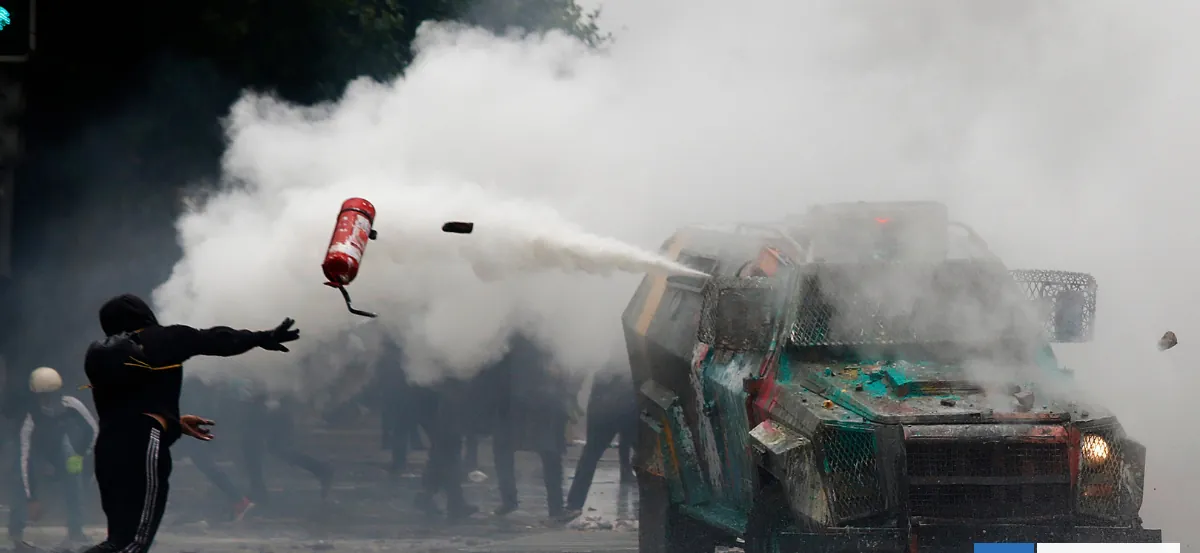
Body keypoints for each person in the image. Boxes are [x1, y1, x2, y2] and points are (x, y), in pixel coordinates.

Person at [81, 293, 299, 553]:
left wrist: (175, 421)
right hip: (143, 441)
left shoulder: (99, 356)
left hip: (107, 448)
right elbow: (217, 339)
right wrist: (263, 337)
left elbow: (129, 402)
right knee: (136, 543)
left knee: (117, 540)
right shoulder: (162, 338)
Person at [9, 367, 98, 549]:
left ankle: (75, 531)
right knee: (20, 483)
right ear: (36, 396)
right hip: (36, 452)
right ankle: (17, 534)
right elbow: (24, 459)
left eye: (52, 395)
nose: (48, 400)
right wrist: (31, 498)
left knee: (74, 478)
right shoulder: (30, 417)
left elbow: (92, 430)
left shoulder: (71, 404)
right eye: (44, 396)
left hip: (60, 448)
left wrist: (80, 456)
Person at [562, 364, 637, 520]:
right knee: (646, 456)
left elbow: (584, 365)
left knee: (589, 457)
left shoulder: (606, 355)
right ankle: (651, 507)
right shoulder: (625, 356)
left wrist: (572, 395)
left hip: (604, 409)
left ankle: (574, 505)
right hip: (624, 408)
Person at [177, 377, 254, 521]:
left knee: (209, 468)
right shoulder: (200, 394)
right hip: (192, 436)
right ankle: (238, 500)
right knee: (209, 468)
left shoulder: (190, 394)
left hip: (190, 436)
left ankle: (239, 500)